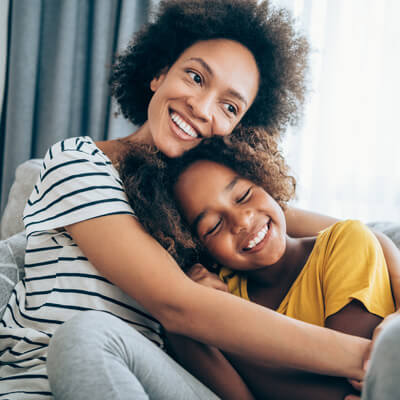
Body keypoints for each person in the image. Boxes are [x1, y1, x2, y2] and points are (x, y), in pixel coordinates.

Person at [0, 0, 398, 399]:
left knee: (89, 336)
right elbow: (177, 305)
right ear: (158, 73)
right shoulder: (79, 163)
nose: (201, 107)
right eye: (194, 77)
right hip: (43, 375)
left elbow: (355, 234)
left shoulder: (199, 199)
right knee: (86, 334)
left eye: (229, 106)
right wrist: (372, 359)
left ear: (239, 128)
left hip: (158, 380)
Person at [120, 134, 396, 399]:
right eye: (213, 226)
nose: (240, 222)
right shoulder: (217, 296)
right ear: (200, 249)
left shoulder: (346, 243)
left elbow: (344, 388)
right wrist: (196, 319)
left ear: (266, 181)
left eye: (243, 196)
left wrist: (220, 334)